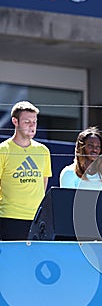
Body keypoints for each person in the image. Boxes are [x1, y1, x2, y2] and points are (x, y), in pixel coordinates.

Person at [0, 101, 52, 241]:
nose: (32, 125)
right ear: (15, 121)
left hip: (36, 220)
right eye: (27, 121)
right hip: (9, 218)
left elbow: (43, 184)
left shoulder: (43, 151)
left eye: (34, 122)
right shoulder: (3, 150)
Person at [60, 126, 102, 191]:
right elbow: (67, 200)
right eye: (90, 146)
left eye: (98, 147)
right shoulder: (69, 173)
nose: (94, 150)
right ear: (81, 148)